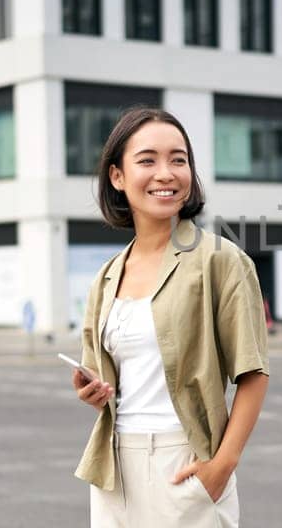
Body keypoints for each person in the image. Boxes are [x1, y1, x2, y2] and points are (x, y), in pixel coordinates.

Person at [71, 107, 271, 527]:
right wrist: (92, 391)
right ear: (117, 177)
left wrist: (222, 467)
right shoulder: (107, 276)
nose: (166, 173)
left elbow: (253, 373)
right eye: (147, 160)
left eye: (178, 160)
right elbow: (108, 376)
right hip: (113, 468)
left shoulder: (220, 260)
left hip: (184, 462)